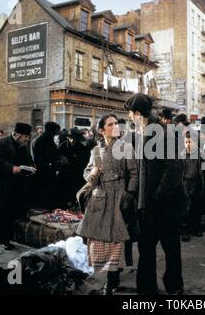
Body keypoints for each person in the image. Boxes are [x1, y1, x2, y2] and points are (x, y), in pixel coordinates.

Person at [125, 93, 185, 295]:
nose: (130, 117)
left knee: (170, 249)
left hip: (164, 205)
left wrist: (158, 197)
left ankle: (174, 287)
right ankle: (147, 289)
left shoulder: (162, 131)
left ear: (137, 113)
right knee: (147, 250)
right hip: (147, 206)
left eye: (130, 113)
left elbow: (174, 169)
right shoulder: (141, 132)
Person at [77, 114, 138, 295]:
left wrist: (129, 194)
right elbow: (87, 174)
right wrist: (93, 172)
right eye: (111, 124)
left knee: (117, 241)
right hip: (101, 200)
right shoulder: (96, 151)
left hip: (120, 199)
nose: (116, 127)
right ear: (102, 130)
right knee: (101, 242)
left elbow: (134, 173)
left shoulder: (126, 148)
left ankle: (112, 281)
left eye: (116, 123)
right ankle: (107, 275)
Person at [0, 123, 36, 250]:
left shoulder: (22, 145)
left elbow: (28, 160)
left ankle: (10, 236)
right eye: (25, 137)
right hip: (2, 184)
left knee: (13, 212)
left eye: (28, 137)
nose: (27, 140)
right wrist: (13, 169)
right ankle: (4, 240)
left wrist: (32, 167)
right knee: (3, 213)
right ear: (17, 135)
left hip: (17, 185)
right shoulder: (1, 142)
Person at [181, 130, 205, 242]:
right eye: (186, 142)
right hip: (184, 184)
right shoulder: (182, 155)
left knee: (196, 206)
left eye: (191, 142)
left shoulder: (201, 155)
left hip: (197, 183)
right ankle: (185, 230)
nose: (188, 144)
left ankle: (196, 227)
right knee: (185, 208)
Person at [31, 122, 61, 210]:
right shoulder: (38, 141)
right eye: (54, 132)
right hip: (42, 173)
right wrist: (52, 164)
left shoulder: (50, 139)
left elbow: (54, 153)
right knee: (43, 195)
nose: (55, 134)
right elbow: (38, 160)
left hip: (51, 171)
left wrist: (59, 158)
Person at [59, 127, 91, 207]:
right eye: (71, 138)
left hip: (77, 176)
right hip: (64, 176)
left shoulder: (83, 148)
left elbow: (83, 164)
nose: (72, 141)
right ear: (68, 137)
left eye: (75, 139)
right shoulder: (62, 146)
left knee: (76, 197)